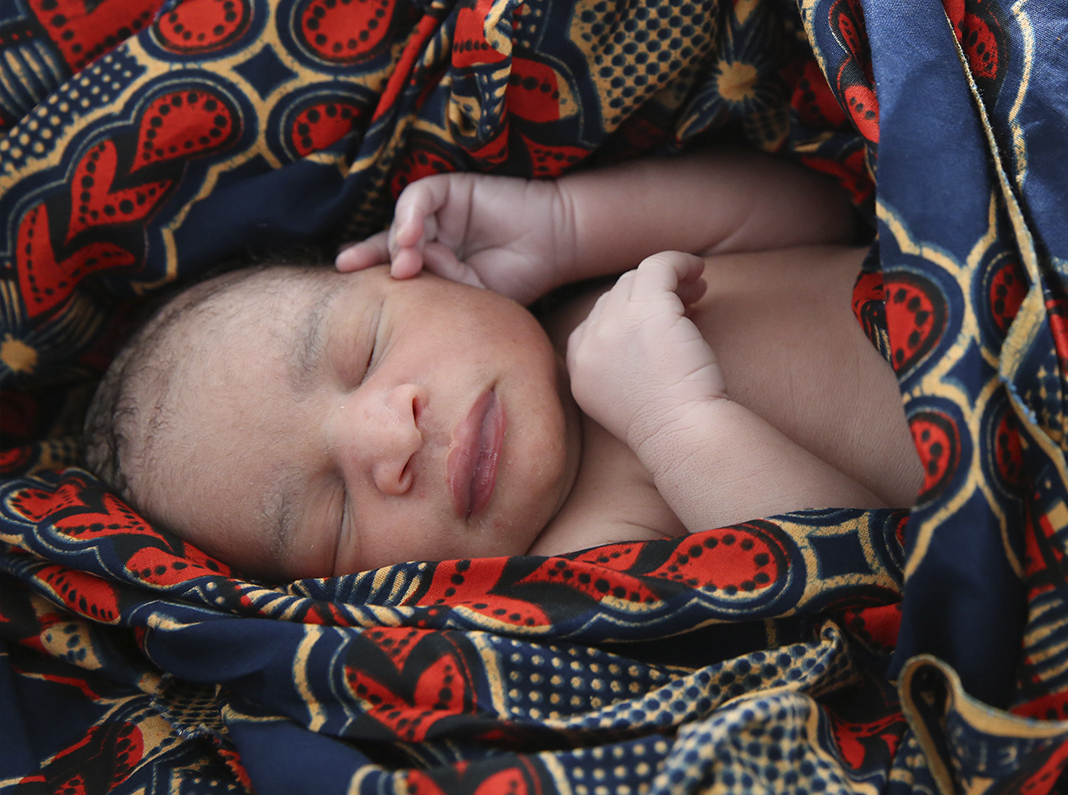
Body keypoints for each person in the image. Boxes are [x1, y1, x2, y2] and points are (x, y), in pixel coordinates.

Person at [83, 151, 922, 582]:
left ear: (410, 270)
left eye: (363, 350)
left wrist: (566, 224)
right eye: (334, 515)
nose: (390, 434)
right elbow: (865, 578)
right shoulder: (585, 554)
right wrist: (676, 423)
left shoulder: (585, 295)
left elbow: (817, 209)